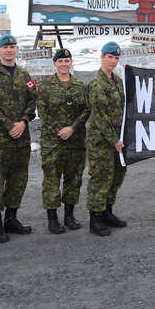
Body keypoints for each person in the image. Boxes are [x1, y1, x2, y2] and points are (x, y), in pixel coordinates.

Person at [0, 35, 37, 243]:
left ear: (16, 49)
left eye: (12, 47)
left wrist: (22, 121)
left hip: (21, 138)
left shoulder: (24, 74)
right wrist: (7, 124)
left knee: (18, 180)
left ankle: (11, 219)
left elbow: (33, 101)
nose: (9, 50)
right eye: (5, 47)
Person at [37, 48, 90, 234]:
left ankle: (69, 216)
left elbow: (86, 110)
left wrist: (72, 128)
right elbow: (43, 112)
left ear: (71, 63)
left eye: (67, 61)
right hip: (53, 142)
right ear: (55, 64)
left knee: (73, 179)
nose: (64, 64)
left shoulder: (80, 86)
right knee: (51, 180)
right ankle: (52, 219)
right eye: (60, 61)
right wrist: (59, 131)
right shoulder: (45, 86)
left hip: (75, 141)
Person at [86, 41, 127, 236]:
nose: (113, 61)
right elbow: (99, 117)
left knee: (116, 176)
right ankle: (95, 219)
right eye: (110, 57)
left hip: (117, 140)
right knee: (100, 178)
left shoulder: (117, 81)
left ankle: (107, 213)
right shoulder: (96, 83)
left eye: (116, 58)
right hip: (101, 141)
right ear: (102, 57)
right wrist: (114, 140)